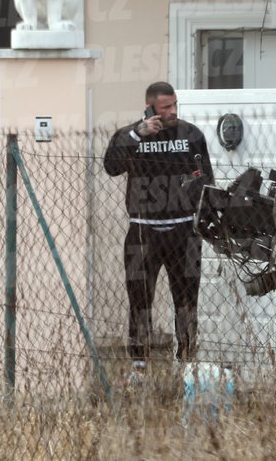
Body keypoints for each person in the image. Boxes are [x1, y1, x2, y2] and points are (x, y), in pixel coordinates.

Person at [103, 81, 214, 378]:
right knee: (139, 301)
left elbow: (207, 180)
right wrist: (136, 135)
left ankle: (186, 362)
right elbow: (111, 166)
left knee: (187, 301)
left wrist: (197, 207)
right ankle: (139, 368)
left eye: (175, 105)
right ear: (150, 107)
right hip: (143, 232)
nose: (173, 111)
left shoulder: (191, 135)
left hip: (183, 232)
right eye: (166, 107)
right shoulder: (131, 136)